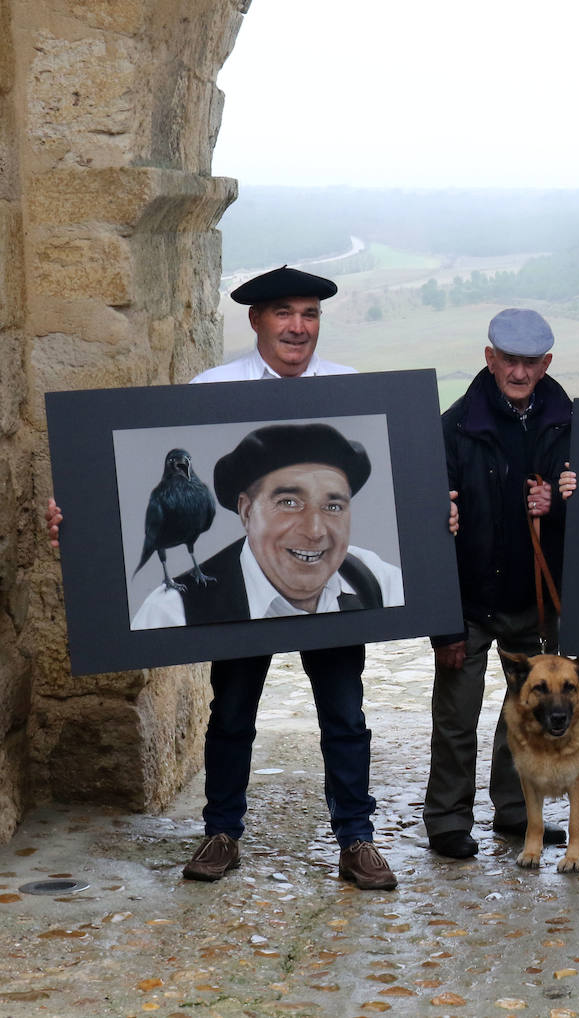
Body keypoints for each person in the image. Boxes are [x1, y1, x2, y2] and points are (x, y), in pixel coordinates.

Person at [47, 265, 412, 891]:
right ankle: (221, 831)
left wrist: (441, 509)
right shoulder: (211, 388)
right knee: (234, 711)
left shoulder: (354, 390)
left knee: (345, 716)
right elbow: (130, 479)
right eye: (284, 314)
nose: (298, 327)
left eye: (310, 314)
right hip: (237, 602)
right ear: (256, 321)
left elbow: (412, 493)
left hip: (329, 604)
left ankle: (356, 839)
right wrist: (77, 524)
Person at [425, 308, 573, 860]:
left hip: (535, 601)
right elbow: (431, 526)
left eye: (529, 362)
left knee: (529, 717)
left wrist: (555, 505)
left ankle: (516, 815)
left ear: (546, 364)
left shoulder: (570, 424)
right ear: (489, 359)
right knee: (457, 718)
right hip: (468, 601)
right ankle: (446, 820)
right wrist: (443, 623)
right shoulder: (452, 428)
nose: (518, 370)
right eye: (508, 359)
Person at [130, 422, 404, 628]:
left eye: (333, 507)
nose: (315, 531)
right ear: (247, 511)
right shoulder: (173, 611)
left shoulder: (374, 579)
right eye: (289, 502)